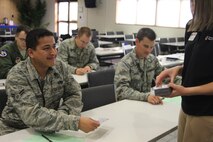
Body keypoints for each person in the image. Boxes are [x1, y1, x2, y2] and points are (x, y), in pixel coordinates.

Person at [0, 28, 100, 136]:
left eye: (54, 46)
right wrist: (75, 122)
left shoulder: (59, 66)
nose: (53, 52)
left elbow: (74, 93)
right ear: (31, 52)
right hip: (16, 131)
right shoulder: (17, 75)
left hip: (51, 126)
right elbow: (33, 115)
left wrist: (62, 114)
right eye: (46, 48)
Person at [156, 0, 213, 141]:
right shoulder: (192, 25)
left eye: (195, 2)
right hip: (187, 106)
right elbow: (198, 63)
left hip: (207, 111)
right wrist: (178, 69)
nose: (191, 6)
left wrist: (186, 90)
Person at [114, 28, 165, 105]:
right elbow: (122, 91)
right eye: (145, 46)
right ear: (137, 42)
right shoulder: (125, 63)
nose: (148, 51)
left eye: (151, 47)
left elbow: (165, 75)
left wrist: (185, 85)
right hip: (128, 106)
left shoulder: (152, 60)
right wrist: (146, 97)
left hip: (147, 104)